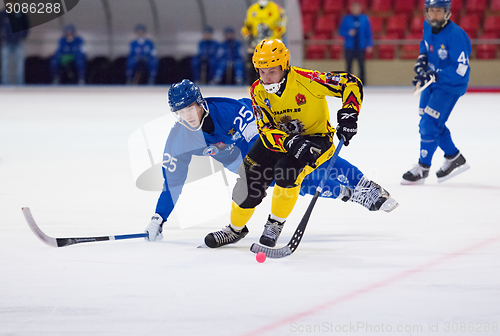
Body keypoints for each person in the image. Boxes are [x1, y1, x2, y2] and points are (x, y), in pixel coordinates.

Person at [144, 79, 398, 242]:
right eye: (179, 112)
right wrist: (158, 217)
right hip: (242, 164)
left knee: (308, 160)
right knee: (294, 182)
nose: (186, 116)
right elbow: (172, 183)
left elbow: (262, 140)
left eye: (189, 108)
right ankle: (347, 193)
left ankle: (364, 184)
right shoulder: (178, 140)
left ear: (200, 104)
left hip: (266, 136)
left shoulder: (231, 111)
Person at [202, 39, 398, 249]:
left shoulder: (308, 79)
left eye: (272, 71)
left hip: (316, 138)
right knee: (249, 177)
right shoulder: (257, 90)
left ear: (285, 65)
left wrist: (350, 113)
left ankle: (274, 224)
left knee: (287, 172)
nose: (266, 78)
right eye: (261, 71)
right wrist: (290, 141)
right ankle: (234, 229)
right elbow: (266, 129)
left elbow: (350, 82)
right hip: (281, 140)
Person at [402, 0, 470, 184]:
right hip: (432, 81)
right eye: (431, 11)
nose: (434, 15)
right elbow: (425, 43)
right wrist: (422, 58)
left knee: (429, 124)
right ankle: (454, 157)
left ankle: (423, 168)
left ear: (447, 12)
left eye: (438, 11)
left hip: (450, 85)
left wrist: (436, 74)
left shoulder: (456, 35)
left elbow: (461, 68)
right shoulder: (427, 25)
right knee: (426, 119)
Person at [241, 0, 286, 85]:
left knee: (271, 70)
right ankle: (252, 91)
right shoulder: (252, 9)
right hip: (256, 45)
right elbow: (247, 26)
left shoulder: (275, 8)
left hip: (271, 47)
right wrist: (247, 36)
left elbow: (281, 26)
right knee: (252, 69)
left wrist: (275, 40)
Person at [339, 1, 373, 85]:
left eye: (357, 8)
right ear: (351, 9)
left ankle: (362, 83)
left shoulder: (364, 19)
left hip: (361, 46)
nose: (355, 9)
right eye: (354, 8)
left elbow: (368, 32)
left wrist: (369, 45)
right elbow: (340, 31)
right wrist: (348, 33)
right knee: (349, 66)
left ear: (360, 9)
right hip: (349, 47)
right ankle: (348, 83)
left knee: (361, 66)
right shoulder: (346, 19)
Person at [0, 0, 30, 85]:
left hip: (18, 43)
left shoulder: (21, 13)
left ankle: (19, 85)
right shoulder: (2, 14)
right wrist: (2, 38)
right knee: (5, 66)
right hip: (6, 43)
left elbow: (26, 26)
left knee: (20, 67)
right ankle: (5, 85)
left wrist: (22, 36)